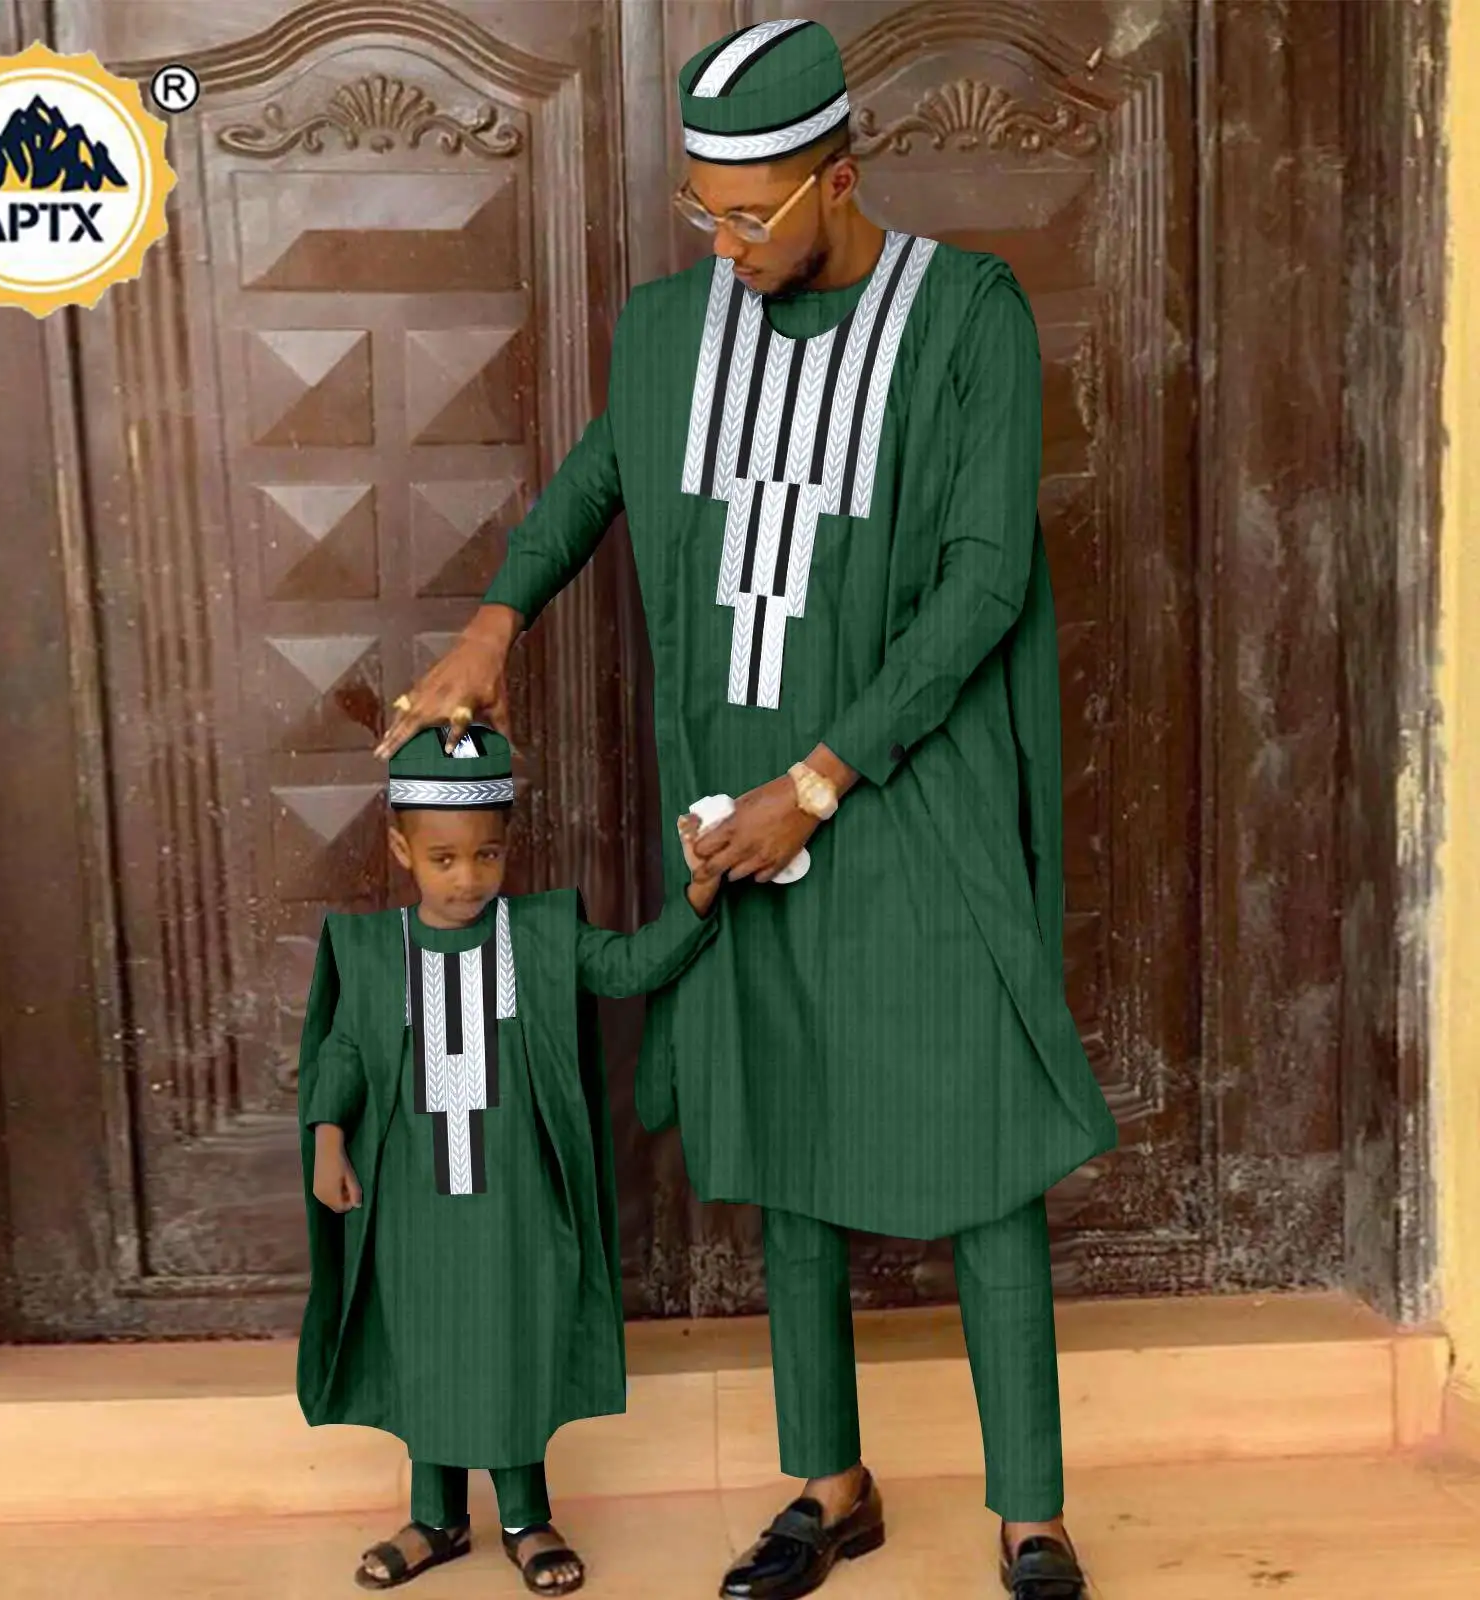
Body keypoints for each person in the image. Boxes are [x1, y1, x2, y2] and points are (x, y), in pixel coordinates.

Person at [377, 19, 1117, 1600]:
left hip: (906, 788)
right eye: (699, 213)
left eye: (746, 217)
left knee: (984, 1142)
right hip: (736, 806)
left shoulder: (965, 317)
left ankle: (1031, 1514)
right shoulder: (678, 328)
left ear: (839, 176)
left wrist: (822, 780)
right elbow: (599, 479)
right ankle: (826, 1487)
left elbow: (985, 580)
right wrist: (495, 623)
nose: (720, 246)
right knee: (784, 1134)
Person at [297, 722, 722, 1594]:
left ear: (507, 847)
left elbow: (631, 967)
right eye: (444, 859)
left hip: (517, 1197)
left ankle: (527, 1516)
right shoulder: (377, 952)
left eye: (486, 856)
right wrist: (327, 1139)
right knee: (424, 1342)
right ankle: (436, 1517)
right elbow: (343, 1052)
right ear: (402, 851)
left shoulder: (537, 934)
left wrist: (698, 895)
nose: (468, 878)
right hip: (411, 1197)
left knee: (512, 1338)